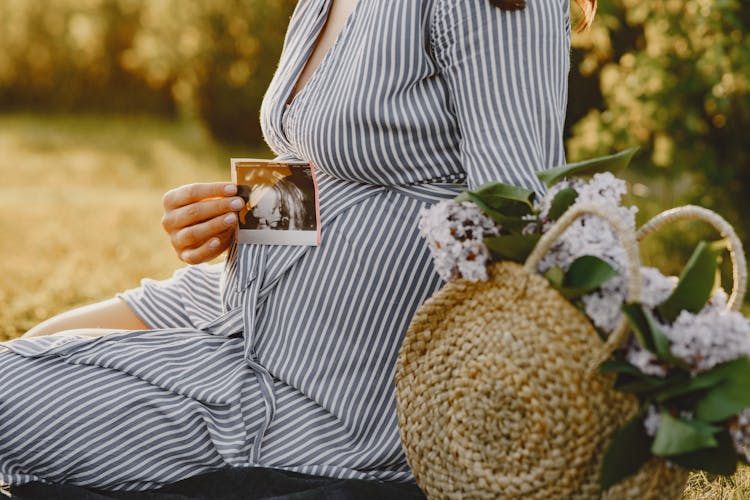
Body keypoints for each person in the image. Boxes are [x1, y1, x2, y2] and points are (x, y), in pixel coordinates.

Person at [0, 0, 595, 493]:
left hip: (321, 390)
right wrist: (227, 216)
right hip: (236, 305)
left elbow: (523, 213)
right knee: (37, 344)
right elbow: (326, 165)